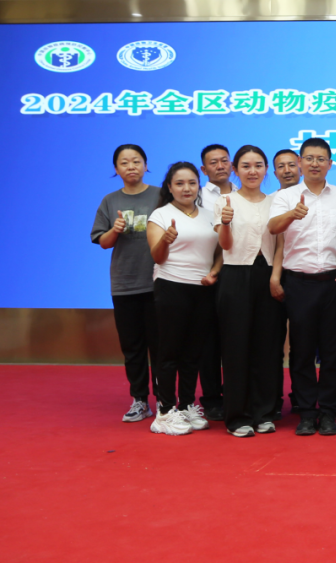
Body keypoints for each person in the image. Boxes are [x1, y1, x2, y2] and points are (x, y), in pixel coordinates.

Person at [269, 137, 336, 436]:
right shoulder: (286, 196)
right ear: (300, 163)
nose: (314, 164)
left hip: (333, 283)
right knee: (302, 351)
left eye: (321, 159)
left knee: (331, 351)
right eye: (309, 158)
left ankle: (328, 411)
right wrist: (291, 214)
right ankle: (306, 412)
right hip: (298, 282)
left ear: (330, 164)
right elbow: (273, 228)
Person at [145, 162, 221, 435]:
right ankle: (165, 412)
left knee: (193, 353)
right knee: (169, 352)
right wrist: (166, 240)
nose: (186, 188)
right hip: (171, 286)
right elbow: (157, 257)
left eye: (191, 182)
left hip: (202, 289)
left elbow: (221, 250)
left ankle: (186, 405)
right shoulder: (160, 215)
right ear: (169, 187)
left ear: (199, 185)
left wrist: (214, 272)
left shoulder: (210, 215)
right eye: (179, 183)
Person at [214, 145, 284, 437]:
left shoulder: (276, 202)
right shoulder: (225, 201)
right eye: (245, 166)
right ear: (235, 170)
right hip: (235, 275)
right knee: (236, 347)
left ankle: (264, 412)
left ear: (266, 170)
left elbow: (280, 244)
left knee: (267, 346)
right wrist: (226, 223)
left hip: (268, 276)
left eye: (258, 166)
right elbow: (225, 245)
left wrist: (276, 276)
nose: (252, 171)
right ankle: (237, 416)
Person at [91, 144, 160, 423]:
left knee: (161, 346)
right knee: (132, 347)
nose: (131, 166)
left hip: (159, 281)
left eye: (136, 161)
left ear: (146, 165)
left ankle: (166, 400)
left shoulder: (161, 195)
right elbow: (103, 242)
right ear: (116, 169)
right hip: (125, 283)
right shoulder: (110, 200)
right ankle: (140, 400)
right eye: (124, 162)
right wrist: (114, 230)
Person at [195, 144, 231, 420]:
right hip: (206, 276)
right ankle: (211, 398)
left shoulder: (245, 193)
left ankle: (235, 393)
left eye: (224, 161)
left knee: (236, 337)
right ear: (204, 169)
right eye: (213, 162)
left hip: (239, 273)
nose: (220, 166)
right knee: (208, 340)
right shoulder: (197, 196)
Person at [269, 149, 300, 417]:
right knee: (274, 342)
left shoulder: (314, 198)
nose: (287, 170)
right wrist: (275, 277)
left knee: (303, 343)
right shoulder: (271, 201)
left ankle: (301, 398)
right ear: (274, 171)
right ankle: (273, 399)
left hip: (300, 276)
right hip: (273, 277)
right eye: (281, 166)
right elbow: (278, 241)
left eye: (292, 165)